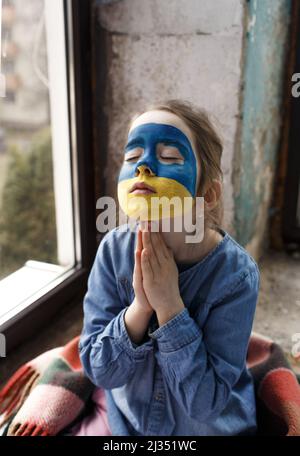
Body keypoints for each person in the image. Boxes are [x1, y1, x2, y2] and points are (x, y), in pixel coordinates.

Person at [76, 99, 260, 436]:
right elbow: (98, 372)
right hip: (125, 425)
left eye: (171, 157)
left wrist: (170, 308)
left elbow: (206, 404)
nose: (143, 166)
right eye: (132, 157)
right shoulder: (112, 252)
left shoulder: (237, 277)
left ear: (208, 194)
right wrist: (141, 306)